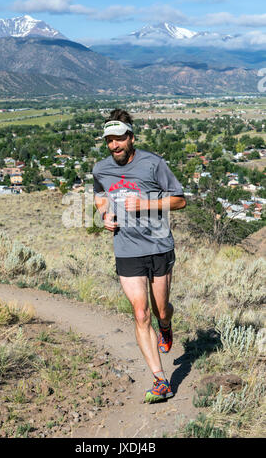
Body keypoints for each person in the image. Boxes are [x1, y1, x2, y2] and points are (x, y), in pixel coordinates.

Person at [92, 109, 186, 403]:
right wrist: (104, 214)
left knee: (160, 310)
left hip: (159, 247)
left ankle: (166, 325)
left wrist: (145, 203)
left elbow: (180, 200)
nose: (114, 145)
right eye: (110, 140)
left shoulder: (153, 164)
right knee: (140, 313)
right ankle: (161, 380)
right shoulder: (101, 169)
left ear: (131, 137)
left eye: (119, 139)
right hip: (127, 250)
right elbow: (100, 195)